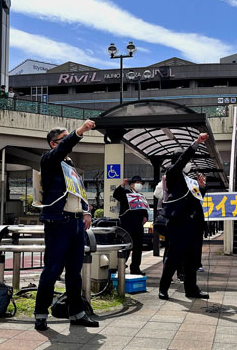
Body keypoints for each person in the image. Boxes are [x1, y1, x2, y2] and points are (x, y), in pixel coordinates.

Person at [34, 120, 98, 331]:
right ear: (54, 144)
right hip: (58, 222)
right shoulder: (49, 160)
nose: (68, 144)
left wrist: (87, 211)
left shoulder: (70, 167)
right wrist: (79, 132)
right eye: (64, 139)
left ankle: (77, 313)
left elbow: (80, 193)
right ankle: (41, 314)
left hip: (76, 223)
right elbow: (65, 147)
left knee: (74, 272)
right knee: (52, 270)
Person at [158, 133, 210, 300]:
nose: (187, 164)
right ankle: (163, 288)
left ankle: (191, 289)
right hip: (177, 223)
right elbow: (182, 160)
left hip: (192, 224)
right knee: (173, 257)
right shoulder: (172, 173)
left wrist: (202, 187)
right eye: (184, 161)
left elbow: (195, 198)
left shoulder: (190, 180)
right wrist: (195, 144)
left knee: (191, 259)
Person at [113, 176, 149, 275]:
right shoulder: (126, 193)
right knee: (126, 246)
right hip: (127, 224)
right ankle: (120, 266)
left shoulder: (141, 196)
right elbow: (116, 194)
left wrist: (145, 217)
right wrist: (122, 185)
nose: (139, 185)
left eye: (141, 183)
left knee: (138, 248)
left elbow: (145, 209)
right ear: (132, 184)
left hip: (138, 225)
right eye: (137, 182)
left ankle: (135, 268)